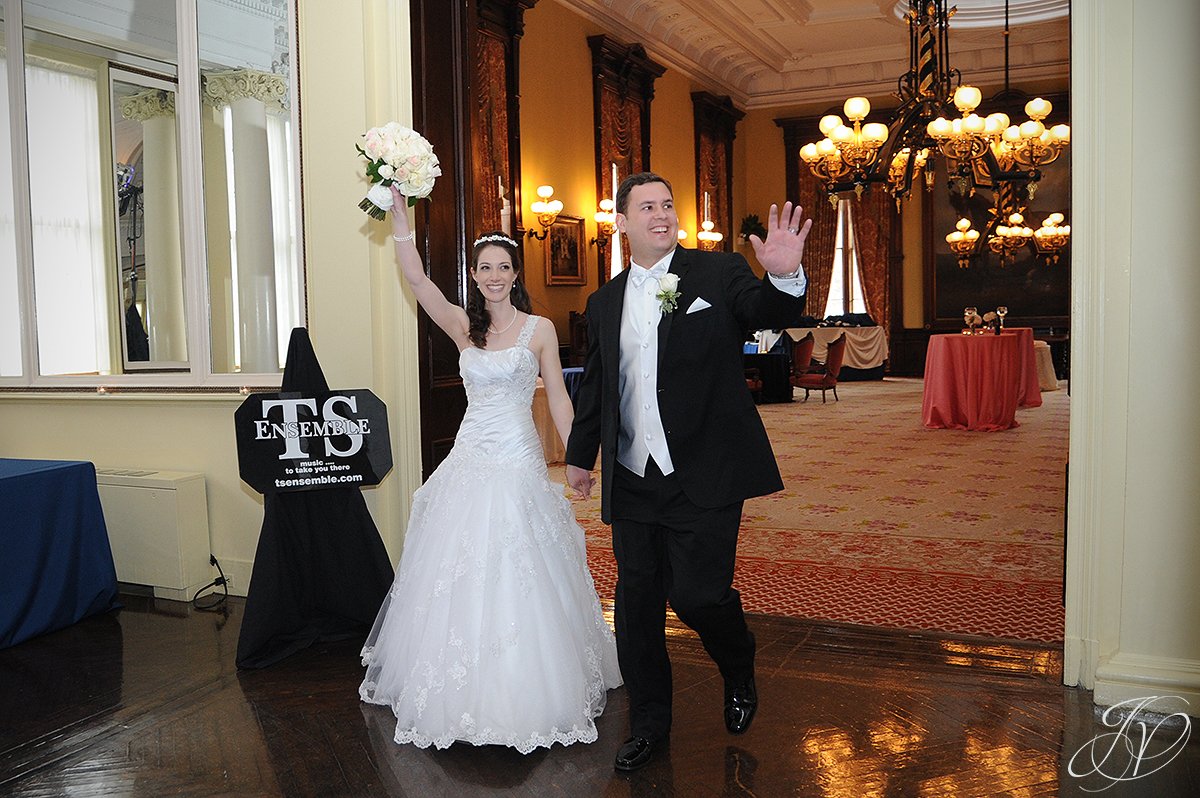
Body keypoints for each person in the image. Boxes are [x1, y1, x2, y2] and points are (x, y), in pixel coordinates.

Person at [359, 185, 622, 754]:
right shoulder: (463, 326)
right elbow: (416, 280)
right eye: (486, 268)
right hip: (470, 457)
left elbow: (557, 397)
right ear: (474, 276)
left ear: (513, 274)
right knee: (459, 563)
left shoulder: (540, 329)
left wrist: (578, 456)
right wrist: (401, 217)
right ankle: (462, 685)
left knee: (521, 558)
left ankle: (528, 679)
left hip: (520, 457)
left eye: (504, 266)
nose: (496, 275)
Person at [565, 172, 812, 772]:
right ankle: (649, 727)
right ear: (620, 223)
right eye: (646, 207)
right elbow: (600, 385)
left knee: (699, 596)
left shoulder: (716, 273)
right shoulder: (604, 302)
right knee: (637, 606)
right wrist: (580, 453)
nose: (661, 214)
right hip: (634, 478)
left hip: (705, 469)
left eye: (667, 205)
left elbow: (763, 310)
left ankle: (738, 660)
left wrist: (782, 275)